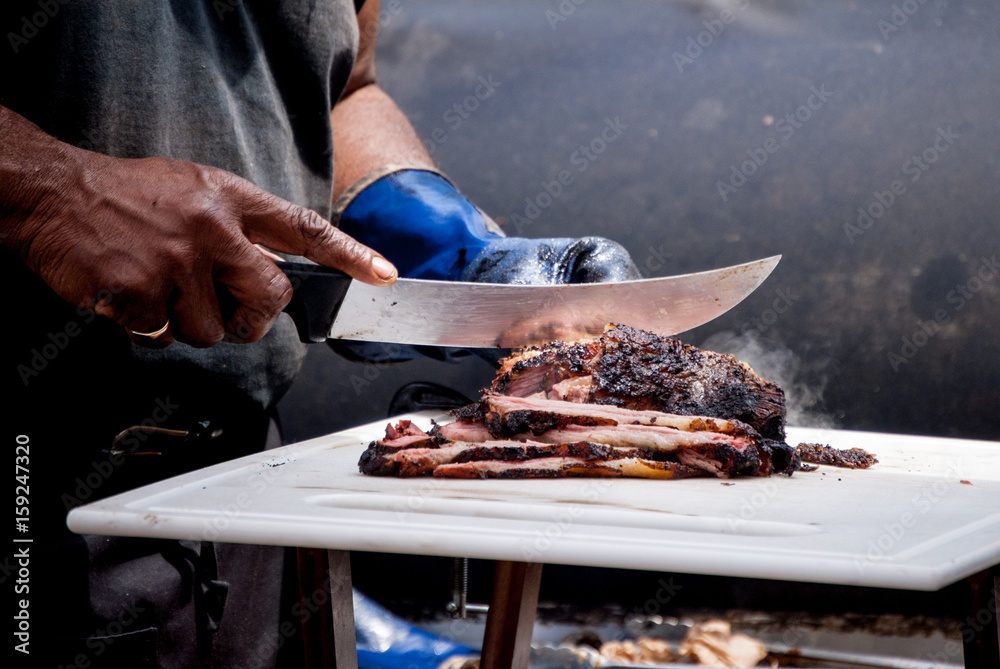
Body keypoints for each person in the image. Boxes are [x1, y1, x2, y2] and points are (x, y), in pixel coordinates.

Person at [2, 1, 638, 666]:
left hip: (243, 499)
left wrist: (452, 248)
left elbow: (341, 87)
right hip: (41, 492)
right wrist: (50, 195)